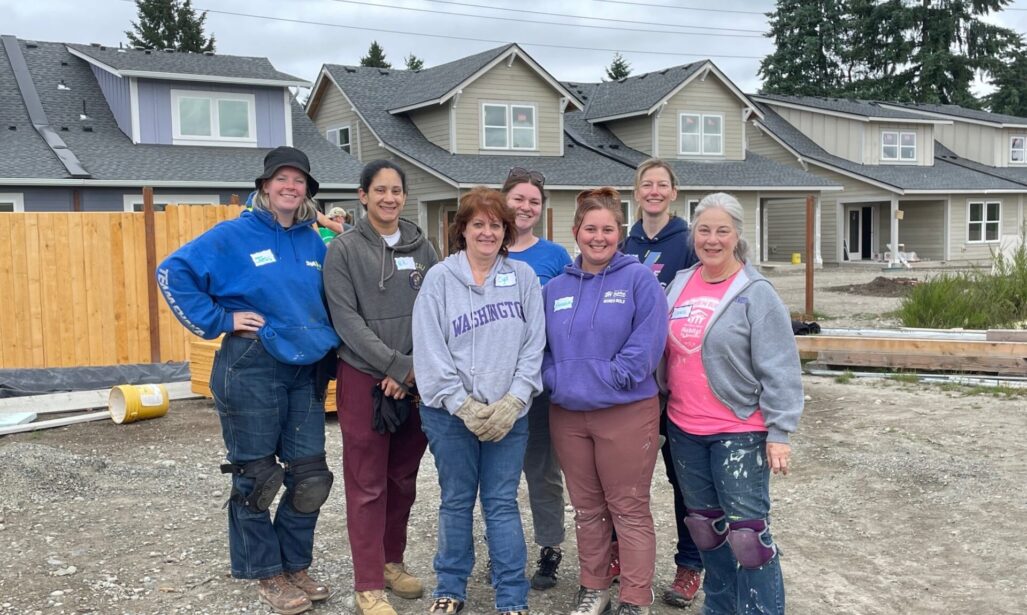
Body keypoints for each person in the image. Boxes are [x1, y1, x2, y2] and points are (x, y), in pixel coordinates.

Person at [156, 146, 340, 615]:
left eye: (298, 180)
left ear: (307, 191)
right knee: (257, 477)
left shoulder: (313, 242)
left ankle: (295, 564)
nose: (290, 187)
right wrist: (221, 319)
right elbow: (172, 272)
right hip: (251, 364)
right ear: (264, 187)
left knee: (311, 478)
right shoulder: (233, 235)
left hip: (306, 368)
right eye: (281, 179)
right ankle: (266, 572)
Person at [661, 192, 803, 615]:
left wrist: (780, 432)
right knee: (706, 531)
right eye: (704, 230)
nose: (712, 239)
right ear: (693, 235)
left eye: (722, 231)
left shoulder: (756, 293)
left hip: (739, 430)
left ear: (737, 235)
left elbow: (780, 365)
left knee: (748, 537)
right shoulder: (680, 284)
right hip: (684, 429)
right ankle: (720, 608)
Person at [412, 187, 545, 615]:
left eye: (496, 225)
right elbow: (429, 348)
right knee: (456, 500)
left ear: (506, 231)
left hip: (509, 415)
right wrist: (462, 405)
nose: (487, 232)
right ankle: (450, 589)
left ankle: (512, 597)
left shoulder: (522, 277)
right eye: (478, 224)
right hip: (450, 416)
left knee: (502, 503)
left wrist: (515, 401)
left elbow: (534, 345)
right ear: (463, 229)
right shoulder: (439, 279)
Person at [543, 188, 668, 615]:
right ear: (576, 231)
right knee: (587, 508)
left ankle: (635, 597)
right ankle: (594, 588)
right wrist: (556, 379)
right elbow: (540, 348)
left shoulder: (639, 281)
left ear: (620, 233)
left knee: (628, 507)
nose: (599, 237)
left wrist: (608, 378)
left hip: (625, 412)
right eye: (590, 228)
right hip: (568, 415)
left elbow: (647, 345)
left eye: (608, 229)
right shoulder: (555, 288)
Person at [323, 160, 439, 615]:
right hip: (364, 377)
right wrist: (395, 364)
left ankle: (392, 562)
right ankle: (368, 583)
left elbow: (435, 307)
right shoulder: (344, 250)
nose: (389, 198)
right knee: (367, 484)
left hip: (415, 379)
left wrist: (411, 367)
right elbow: (346, 320)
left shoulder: (422, 247)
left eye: (396, 191)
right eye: (380, 190)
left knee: (402, 478)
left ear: (405, 196)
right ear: (363, 196)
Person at [620, 159, 703, 607]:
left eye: (662, 185)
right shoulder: (624, 243)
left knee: (682, 478)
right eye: (646, 184)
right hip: (630, 380)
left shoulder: (689, 243)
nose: (653, 191)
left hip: (675, 378)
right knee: (624, 479)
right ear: (636, 193)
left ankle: (690, 563)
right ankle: (622, 557)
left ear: (673, 192)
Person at [501, 167, 572, 591]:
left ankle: (550, 547)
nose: (525, 207)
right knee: (499, 477)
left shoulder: (555, 257)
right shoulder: (485, 249)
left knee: (543, 472)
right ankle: (504, 549)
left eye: (534, 201)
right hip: (494, 385)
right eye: (518, 199)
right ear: (503, 201)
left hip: (540, 384)